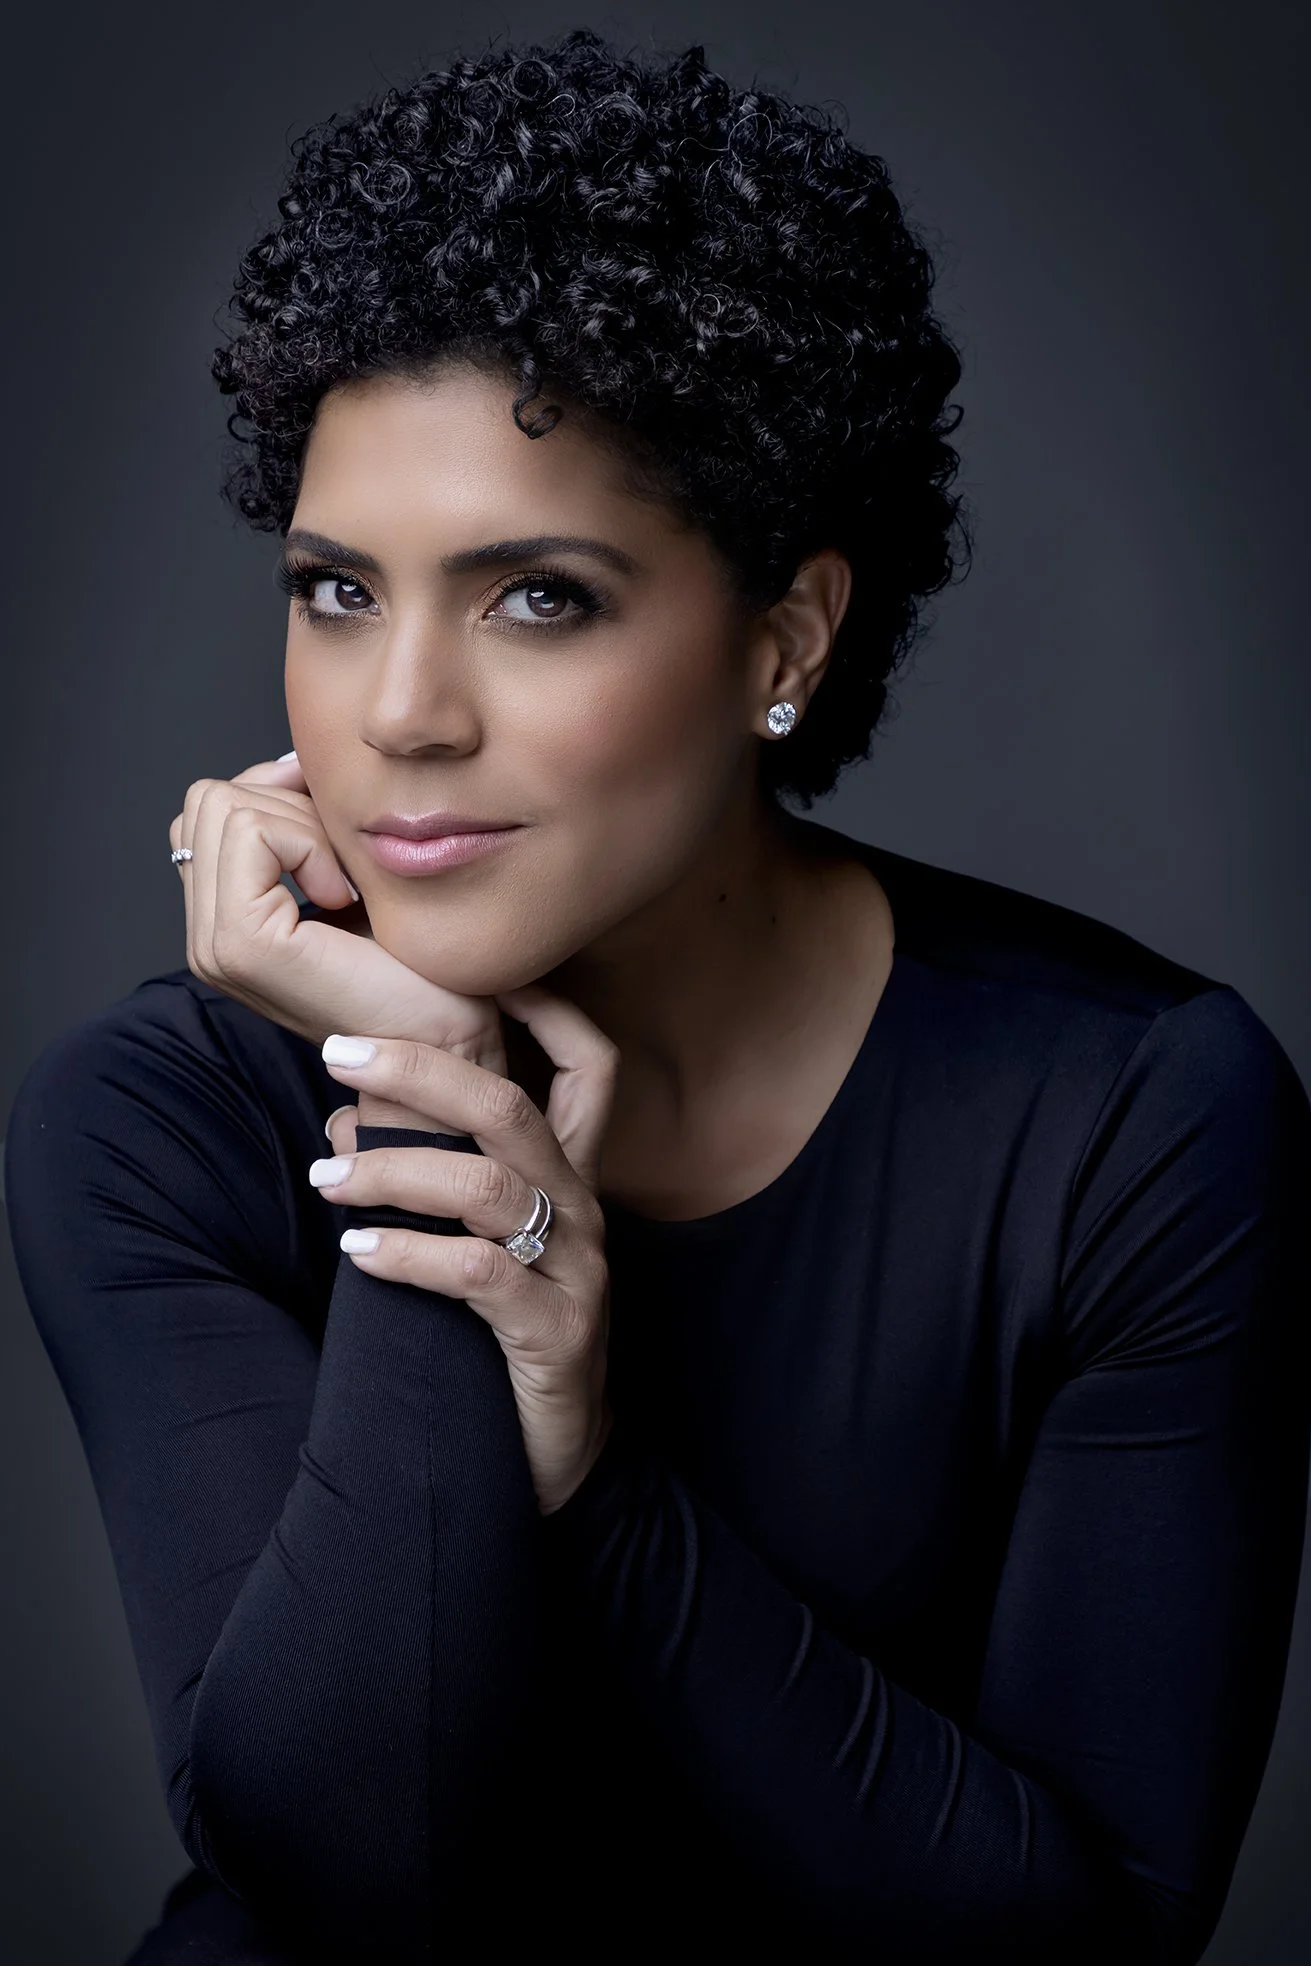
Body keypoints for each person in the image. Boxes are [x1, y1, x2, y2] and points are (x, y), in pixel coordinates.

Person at [6, 25, 1310, 1966]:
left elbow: (1082, 1934)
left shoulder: (1130, 1114)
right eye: (337, 588)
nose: (398, 714)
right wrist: (428, 1098)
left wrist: (596, 1463)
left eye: (539, 596)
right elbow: (343, 1865)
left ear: (781, 637)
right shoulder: (154, 1110)